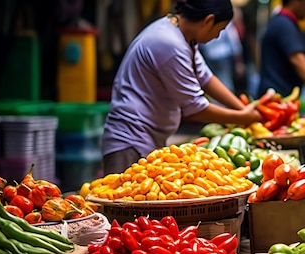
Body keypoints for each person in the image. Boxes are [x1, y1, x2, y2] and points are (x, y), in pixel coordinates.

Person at [102, 0, 262, 175]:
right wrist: (242, 117)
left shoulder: (179, 34)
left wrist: (244, 110)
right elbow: (195, 108)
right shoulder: (170, 43)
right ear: (209, 20)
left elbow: (205, 78)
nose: (217, 36)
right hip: (129, 142)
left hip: (147, 137)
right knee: (124, 199)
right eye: (220, 30)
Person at [256, 0, 305, 112]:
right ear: (295, 2)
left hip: (279, 96)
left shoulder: (282, 22)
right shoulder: (284, 24)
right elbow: (297, 59)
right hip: (276, 98)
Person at [199, 20, 244, 93]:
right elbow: (234, 41)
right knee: (222, 83)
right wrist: (239, 61)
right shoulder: (224, 20)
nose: (217, 36)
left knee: (218, 83)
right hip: (215, 57)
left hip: (215, 56)